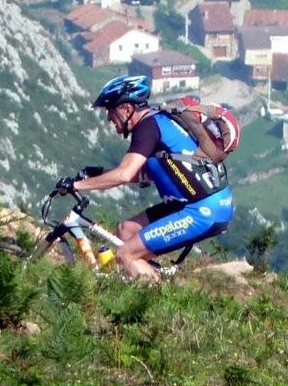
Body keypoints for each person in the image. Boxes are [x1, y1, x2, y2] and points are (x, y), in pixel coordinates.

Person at [65, 75, 235, 281]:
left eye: (110, 112)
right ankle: (143, 275)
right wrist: (98, 172)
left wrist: (76, 185)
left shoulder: (147, 128)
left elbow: (124, 174)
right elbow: (141, 173)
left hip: (202, 210)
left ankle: (155, 295)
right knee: (125, 230)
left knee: (125, 254)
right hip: (195, 202)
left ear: (126, 109)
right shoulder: (157, 121)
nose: (109, 119)